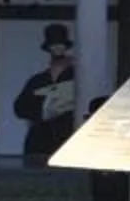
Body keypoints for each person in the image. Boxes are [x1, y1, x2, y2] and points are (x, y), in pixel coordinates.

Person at [12, 22, 80, 163]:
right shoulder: (38, 80)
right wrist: (43, 112)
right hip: (39, 142)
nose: (57, 48)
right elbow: (19, 108)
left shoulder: (78, 78)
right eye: (53, 44)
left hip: (67, 139)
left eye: (60, 44)